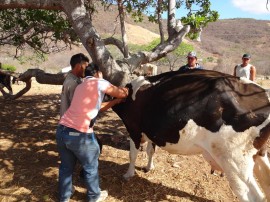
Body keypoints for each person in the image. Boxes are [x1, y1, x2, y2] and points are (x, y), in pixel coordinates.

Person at [56, 63, 129, 202]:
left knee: (66, 166)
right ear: (97, 73)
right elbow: (122, 92)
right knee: (90, 166)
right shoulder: (99, 82)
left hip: (62, 130)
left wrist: (114, 103)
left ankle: (64, 196)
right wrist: (128, 89)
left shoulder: (81, 86)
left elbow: (96, 108)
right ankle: (94, 196)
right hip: (80, 134)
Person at [60, 53, 89, 117]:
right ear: (79, 66)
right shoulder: (73, 83)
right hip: (71, 123)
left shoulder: (71, 78)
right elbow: (78, 107)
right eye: (86, 67)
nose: (87, 70)